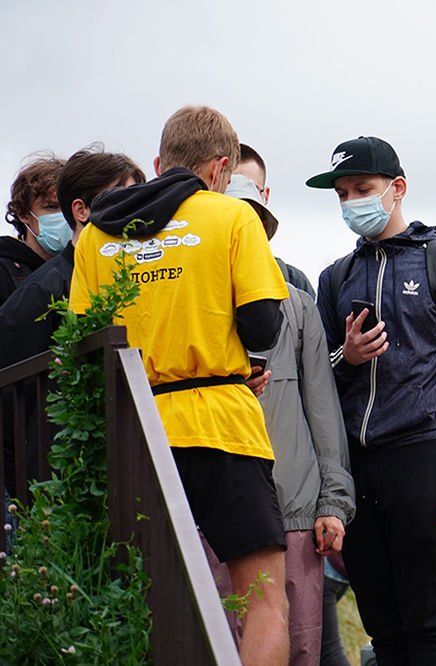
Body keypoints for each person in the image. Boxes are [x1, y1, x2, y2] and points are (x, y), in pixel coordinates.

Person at [69, 105, 291, 665]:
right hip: (222, 424)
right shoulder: (232, 218)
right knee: (263, 601)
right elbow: (265, 324)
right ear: (220, 169)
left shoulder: (97, 234)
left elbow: (79, 342)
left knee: (139, 598)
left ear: (158, 162)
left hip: (136, 431)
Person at [309, 135, 436, 665]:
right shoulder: (334, 279)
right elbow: (316, 381)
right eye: (342, 193)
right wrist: (345, 357)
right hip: (357, 466)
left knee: (430, 620)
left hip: (425, 454)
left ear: (397, 189)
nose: (351, 202)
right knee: (382, 627)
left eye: (362, 189)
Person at [224, 173, 356, 665]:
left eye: (253, 224)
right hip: (221, 508)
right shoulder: (195, 307)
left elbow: (324, 412)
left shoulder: (297, 305)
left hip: (297, 512)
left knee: (302, 647)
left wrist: (333, 504)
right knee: (223, 640)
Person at [0, 145, 144, 495]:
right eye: (119, 198)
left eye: (137, 199)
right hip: (64, 486)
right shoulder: (40, 292)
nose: (133, 211)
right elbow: (14, 403)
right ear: (80, 210)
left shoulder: (139, 277)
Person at [235, 143, 314, 297]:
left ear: (265, 196)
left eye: (251, 189)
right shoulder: (194, 274)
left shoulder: (293, 281)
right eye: (230, 188)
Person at [1, 153, 67, 305]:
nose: (63, 217)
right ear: (23, 213)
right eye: (52, 207)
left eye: (67, 207)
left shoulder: (85, 270)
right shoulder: (5, 271)